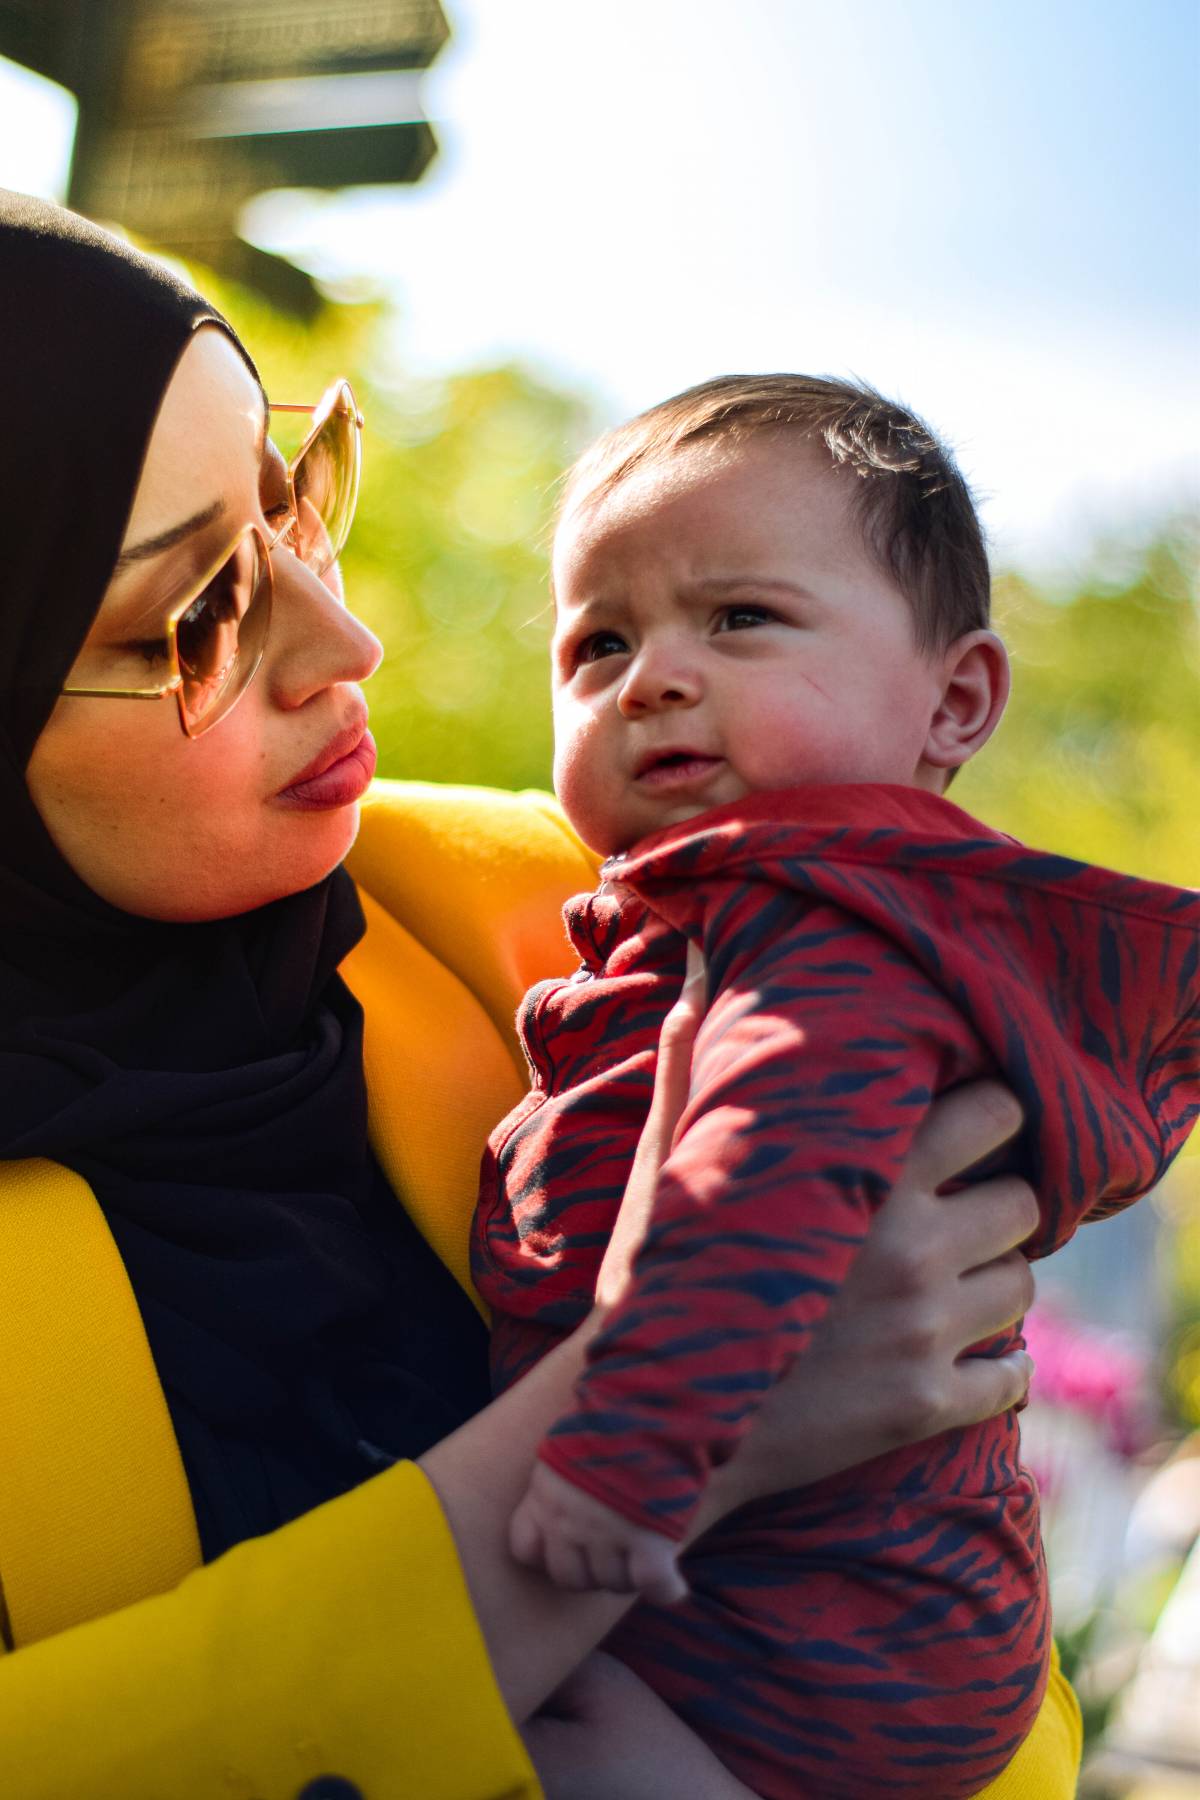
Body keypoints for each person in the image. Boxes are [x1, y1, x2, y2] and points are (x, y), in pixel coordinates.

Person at [0, 192, 1081, 1800]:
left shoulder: (570, 908)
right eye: (197, 614)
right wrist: (644, 1438)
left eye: (295, 501)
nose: (347, 638)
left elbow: (971, 1606)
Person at [473, 375, 1200, 1797]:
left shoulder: (835, 931)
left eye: (740, 618)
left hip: (811, 1633)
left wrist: (620, 1469)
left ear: (955, 698)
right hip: (816, 1593)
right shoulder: (719, 918)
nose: (654, 676)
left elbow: (760, 1192)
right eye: (597, 642)